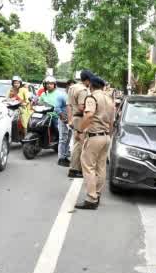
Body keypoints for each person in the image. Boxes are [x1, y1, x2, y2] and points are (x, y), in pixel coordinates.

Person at [74, 74, 115, 210]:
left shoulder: (92, 98)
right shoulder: (109, 99)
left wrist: (80, 130)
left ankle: (91, 198)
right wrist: (108, 135)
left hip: (94, 136)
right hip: (106, 137)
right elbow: (111, 122)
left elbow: (89, 115)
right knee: (101, 167)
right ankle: (97, 194)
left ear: (91, 85)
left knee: (88, 166)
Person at [37, 76, 70, 166]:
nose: (49, 85)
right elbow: (40, 103)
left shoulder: (59, 94)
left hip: (55, 116)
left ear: (54, 85)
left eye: (51, 84)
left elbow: (59, 107)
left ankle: (61, 151)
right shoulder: (44, 94)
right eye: (47, 84)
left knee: (61, 135)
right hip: (45, 115)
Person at [66, 71, 91, 179]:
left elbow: (69, 105)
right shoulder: (83, 90)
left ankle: (75, 168)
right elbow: (82, 106)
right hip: (80, 117)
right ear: (87, 80)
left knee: (76, 142)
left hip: (75, 117)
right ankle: (74, 169)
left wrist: (70, 119)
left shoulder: (72, 87)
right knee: (80, 144)